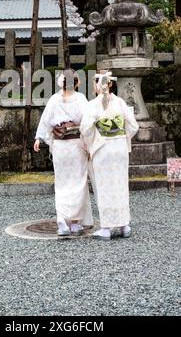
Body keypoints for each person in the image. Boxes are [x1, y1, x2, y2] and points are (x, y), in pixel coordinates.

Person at [34, 70, 93, 236]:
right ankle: (74, 222)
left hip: (60, 146)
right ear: (76, 83)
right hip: (75, 145)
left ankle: (62, 220)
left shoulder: (54, 99)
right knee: (78, 182)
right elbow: (88, 124)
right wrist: (91, 144)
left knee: (62, 182)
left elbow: (45, 121)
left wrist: (38, 138)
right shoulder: (80, 99)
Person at [80, 71, 139, 240]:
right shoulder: (120, 102)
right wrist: (122, 137)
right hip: (119, 148)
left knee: (104, 187)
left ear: (98, 86)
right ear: (110, 84)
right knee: (120, 185)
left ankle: (106, 228)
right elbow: (133, 126)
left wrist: (93, 142)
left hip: (103, 149)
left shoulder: (93, 104)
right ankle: (124, 226)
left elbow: (85, 129)